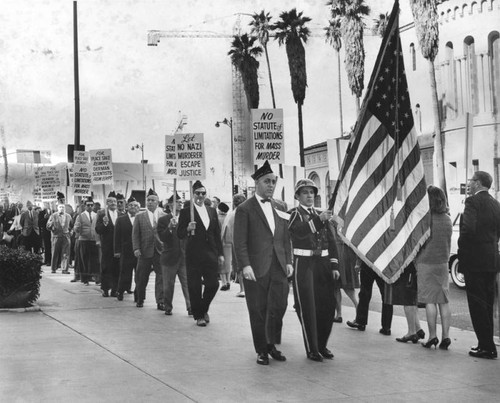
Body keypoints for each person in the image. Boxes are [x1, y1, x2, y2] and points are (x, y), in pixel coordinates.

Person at [234, 161, 293, 365]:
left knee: (279, 305)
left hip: (278, 265)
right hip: (256, 268)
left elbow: (285, 237)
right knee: (258, 309)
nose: (271, 185)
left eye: (273, 182)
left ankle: (272, 344)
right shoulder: (244, 209)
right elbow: (239, 242)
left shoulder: (280, 206)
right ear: (257, 183)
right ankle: (262, 349)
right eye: (267, 181)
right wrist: (245, 266)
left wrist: (289, 260)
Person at [288, 179, 340, 362]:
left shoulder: (321, 214)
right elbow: (298, 233)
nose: (309, 196)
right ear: (298, 196)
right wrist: (319, 220)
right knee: (308, 306)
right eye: (305, 193)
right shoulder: (294, 214)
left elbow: (331, 240)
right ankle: (312, 348)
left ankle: (322, 344)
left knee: (327, 306)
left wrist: (334, 265)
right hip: (304, 263)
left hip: (323, 263)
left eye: (312, 192)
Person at [459, 171, 500, 359]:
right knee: (487, 304)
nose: (469, 183)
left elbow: (467, 229)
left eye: (471, 180)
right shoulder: (496, 204)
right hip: (491, 260)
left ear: (477, 183)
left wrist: (463, 253)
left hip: (474, 261)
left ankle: (486, 346)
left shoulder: (472, 202)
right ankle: (487, 343)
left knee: (477, 305)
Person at [177, 181, 224, 326]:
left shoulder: (211, 210)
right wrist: (187, 228)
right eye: (198, 193)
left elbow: (217, 234)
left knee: (213, 284)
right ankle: (199, 316)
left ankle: (203, 308)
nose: (200, 196)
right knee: (194, 285)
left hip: (210, 253)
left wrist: (220, 254)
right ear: (192, 194)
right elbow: (179, 234)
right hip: (193, 253)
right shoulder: (186, 211)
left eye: (203, 193)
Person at [415, 186, 453, 349]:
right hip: (443, 264)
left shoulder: (425, 220)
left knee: (430, 301)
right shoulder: (447, 219)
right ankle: (446, 336)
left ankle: (432, 336)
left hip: (426, 263)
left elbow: (417, 244)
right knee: (443, 301)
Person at [157, 192, 191, 316]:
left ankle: (190, 306)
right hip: (169, 257)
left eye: (181, 202)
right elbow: (163, 238)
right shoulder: (163, 220)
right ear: (171, 204)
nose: (180, 204)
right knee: (168, 285)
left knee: (187, 283)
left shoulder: (186, 218)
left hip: (183, 256)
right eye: (178, 202)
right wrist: (170, 227)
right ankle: (168, 306)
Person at [132, 189, 164, 309]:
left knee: (161, 277)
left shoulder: (164, 216)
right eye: (148, 200)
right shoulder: (140, 216)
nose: (150, 202)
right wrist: (136, 248)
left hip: (159, 251)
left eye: (153, 200)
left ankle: (160, 301)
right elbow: (135, 234)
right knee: (141, 277)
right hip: (144, 252)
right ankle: (140, 298)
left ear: (157, 202)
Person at [346, 260, 394, 336]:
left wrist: (358, 263)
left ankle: (360, 322)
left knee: (365, 293)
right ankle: (386, 327)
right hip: (384, 263)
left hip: (369, 262)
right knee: (386, 295)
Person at [390, 262, 426, 344]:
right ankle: (418, 329)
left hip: (409, 265)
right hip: (417, 266)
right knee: (412, 298)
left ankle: (411, 332)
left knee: (407, 299)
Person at [95, 191, 121, 297]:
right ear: (107, 203)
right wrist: (104, 224)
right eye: (110, 201)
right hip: (107, 245)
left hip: (118, 246)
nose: (113, 203)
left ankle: (115, 289)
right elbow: (98, 229)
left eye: (115, 201)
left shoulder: (121, 214)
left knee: (117, 268)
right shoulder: (102, 214)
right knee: (106, 267)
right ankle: (105, 289)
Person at [114, 197, 140, 301]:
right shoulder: (121, 219)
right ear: (127, 207)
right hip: (126, 251)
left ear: (139, 208)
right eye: (131, 205)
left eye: (135, 206)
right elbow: (117, 236)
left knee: (139, 274)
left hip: (138, 251)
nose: (133, 207)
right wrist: (117, 251)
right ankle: (120, 291)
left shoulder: (141, 218)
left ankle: (138, 295)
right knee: (125, 272)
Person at [73, 197, 100, 285]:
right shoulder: (80, 216)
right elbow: (75, 229)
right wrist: (77, 227)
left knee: (94, 260)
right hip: (83, 240)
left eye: (91, 205)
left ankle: (96, 278)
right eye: (88, 205)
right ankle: (85, 279)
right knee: (84, 260)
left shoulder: (96, 215)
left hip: (93, 240)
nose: (90, 207)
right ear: (85, 206)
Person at [46, 203, 72, 274]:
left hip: (66, 236)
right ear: (57, 208)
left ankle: (64, 269)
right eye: (60, 207)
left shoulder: (68, 216)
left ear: (65, 208)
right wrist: (51, 225)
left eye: (63, 207)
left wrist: (71, 232)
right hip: (56, 236)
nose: (61, 208)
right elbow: (47, 227)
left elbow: (71, 226)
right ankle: (53, 268)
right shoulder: (53, 215)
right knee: (55, 252)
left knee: (65, 253)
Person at [217, 202, 231, 291]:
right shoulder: (229, 218)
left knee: (221, 263)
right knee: (228, 262)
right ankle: (229, 281)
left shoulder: (218, 218)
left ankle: (224, 282)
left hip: (220, 242)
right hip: (229, 243)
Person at [38, 202, 53, 266]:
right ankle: (47, 260)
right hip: (46, 232)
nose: (48, 204)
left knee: (54, 246)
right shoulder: (42, 213)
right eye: (46, 203)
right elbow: (39, 223)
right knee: (47, 246)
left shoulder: (54, 211)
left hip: (54, 232)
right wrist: (45, 218)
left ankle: (55, 261)